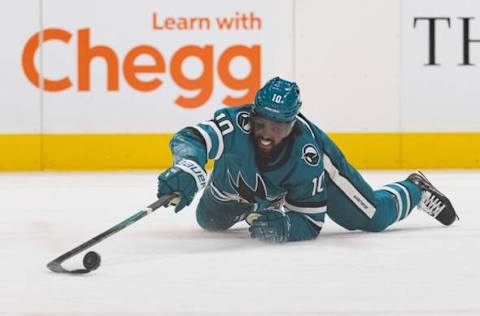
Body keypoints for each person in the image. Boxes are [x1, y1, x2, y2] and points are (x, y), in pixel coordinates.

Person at [156, 77, 458, 242]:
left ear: (292, 124)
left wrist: (286, 227)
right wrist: (188, 165)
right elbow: (189, 138)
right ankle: (265, 202)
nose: (265, 134)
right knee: (209, 221)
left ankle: (415, 188)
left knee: (372, 218)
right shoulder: (236, 122)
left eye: (277, 128)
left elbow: (311, 222)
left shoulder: (308, 156)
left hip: (315, 178)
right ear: (253, 113)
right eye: (261, 123)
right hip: (238, 182)